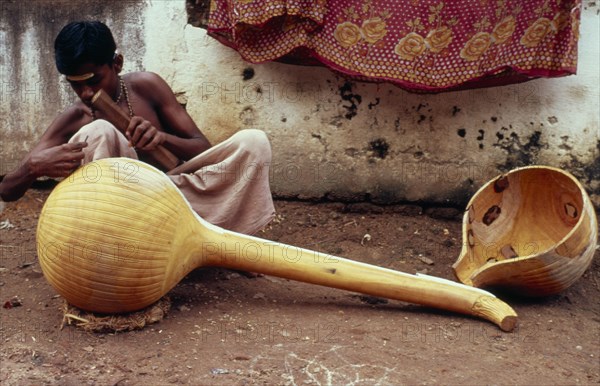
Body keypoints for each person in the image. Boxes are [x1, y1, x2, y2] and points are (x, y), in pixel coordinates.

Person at [0, 21, 275, 235]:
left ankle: (218, 241)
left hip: (177, 197)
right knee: (99, 132)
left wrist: (162, 137)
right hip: (128, 216)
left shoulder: (146, 87)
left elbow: (201, 148)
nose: (84, 92)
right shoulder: (74, 119)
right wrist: (32, 167)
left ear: (116, 64)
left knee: (254, 141)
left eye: (93, 80)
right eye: (75, 84)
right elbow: (7, 190)